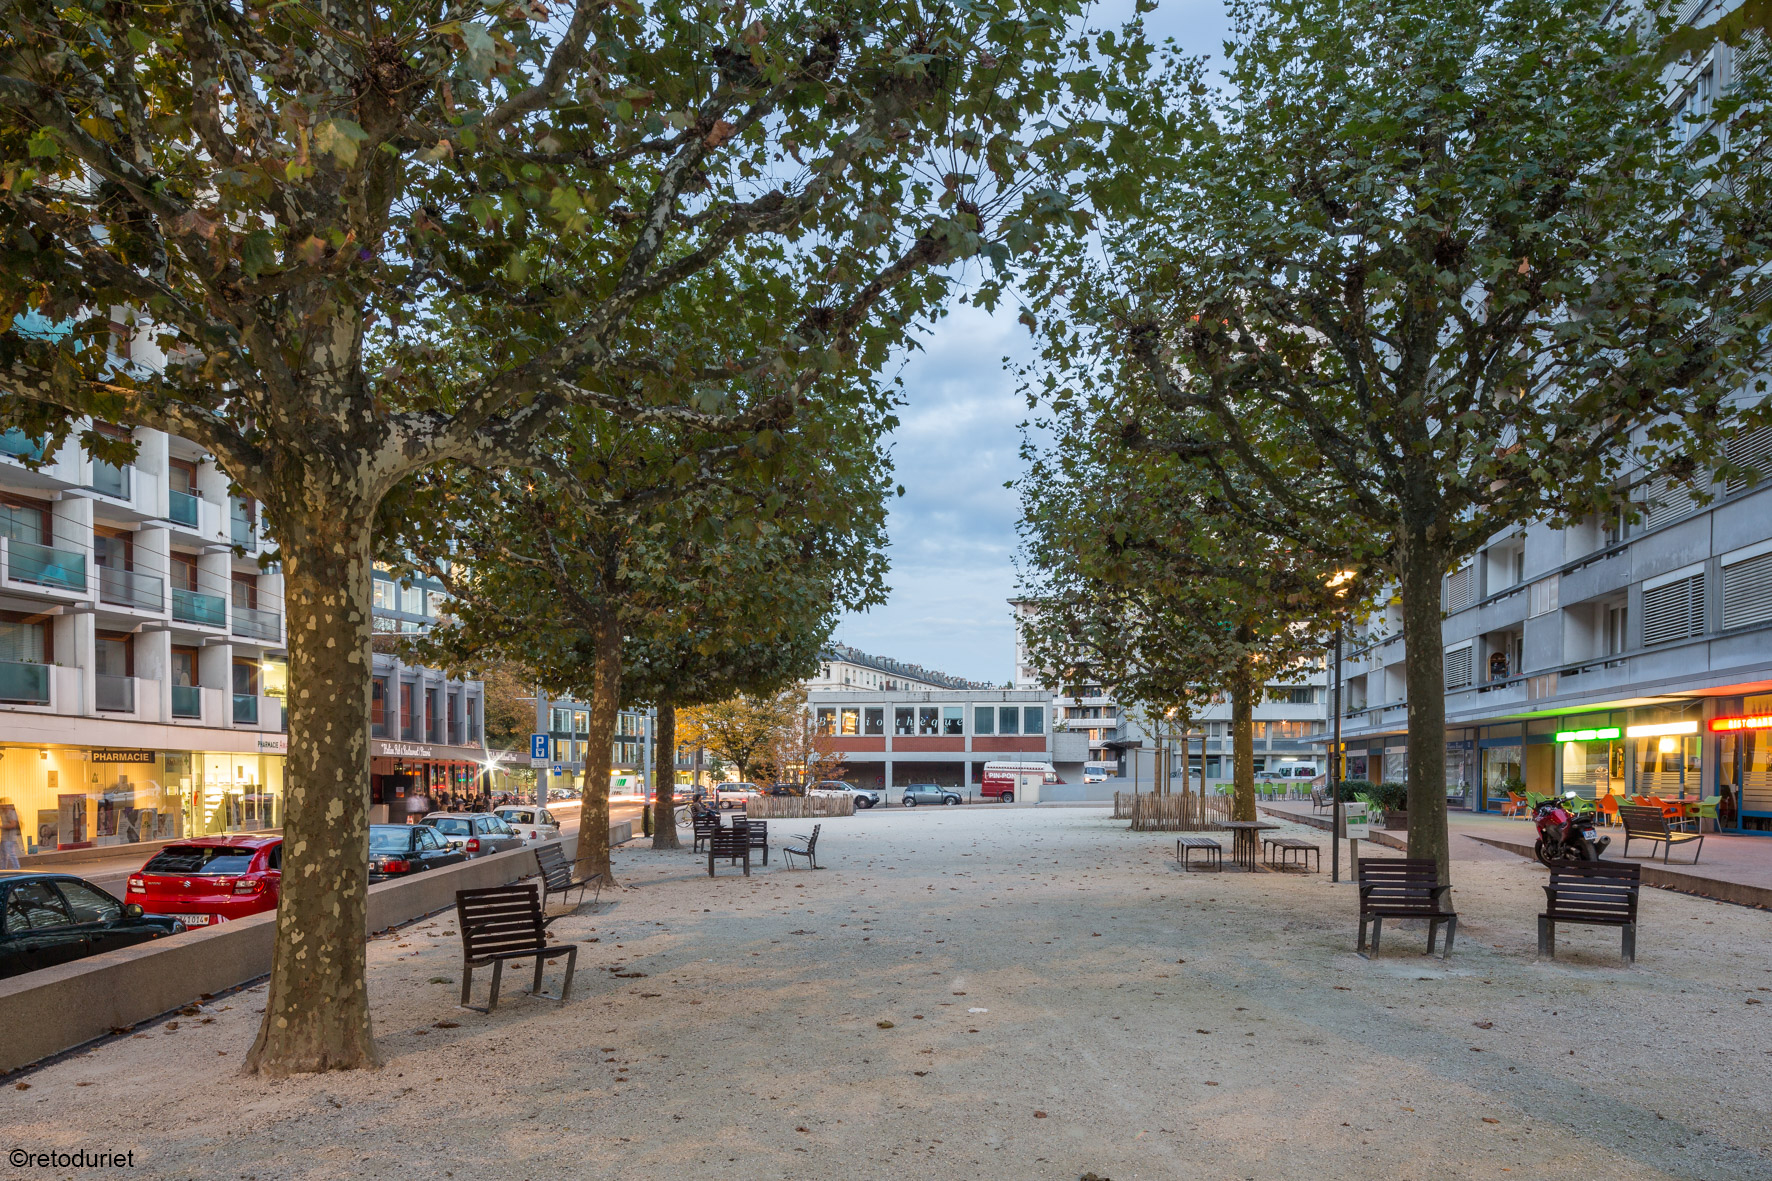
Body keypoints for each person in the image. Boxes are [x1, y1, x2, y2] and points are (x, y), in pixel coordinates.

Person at [0, 801, 21, 869]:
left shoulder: (11, 813)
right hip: (4, 837)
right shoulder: (3, 812)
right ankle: (3, 870)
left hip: (10, 837)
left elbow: (13, 825)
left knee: (10, 854)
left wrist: (2, 827)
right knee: (3, 855)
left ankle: (17, 868)